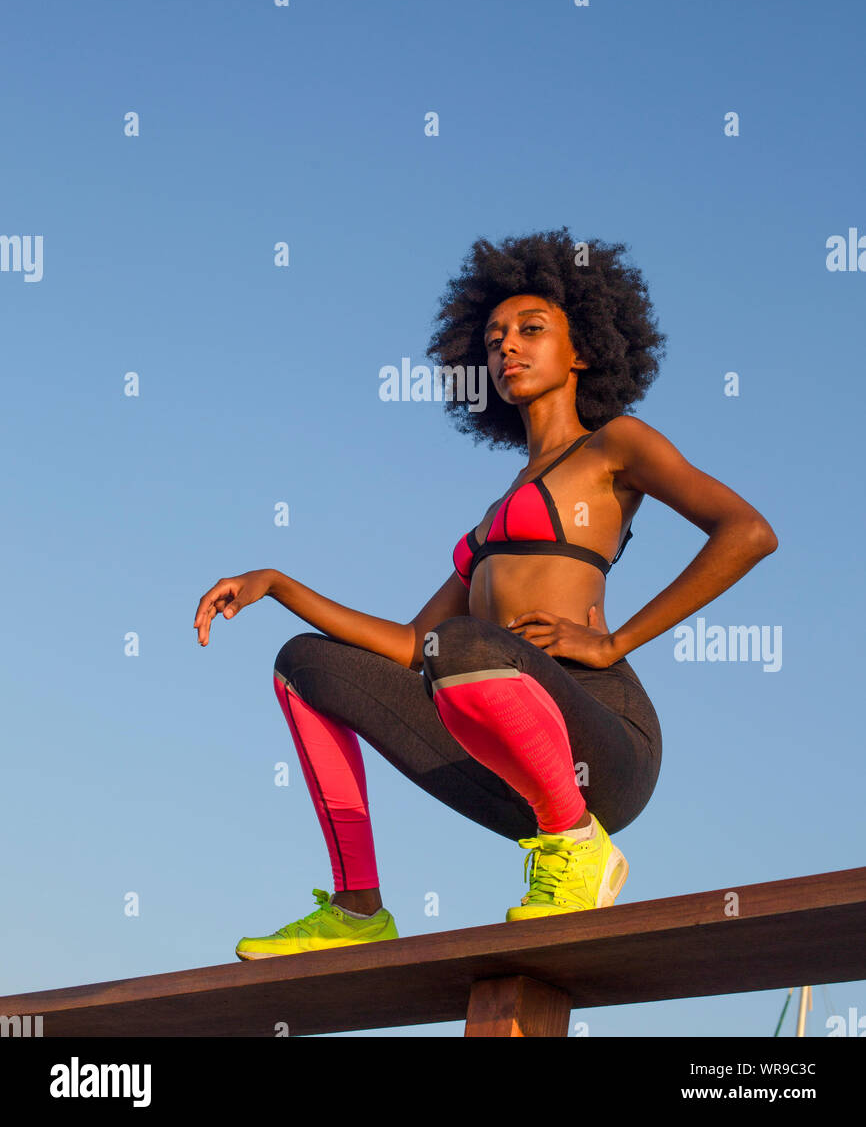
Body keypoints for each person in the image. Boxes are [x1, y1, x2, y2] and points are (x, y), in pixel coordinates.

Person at [193, 228, 778, 959]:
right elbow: (411, 646)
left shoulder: (615, 444)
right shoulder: (489, 523)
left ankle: (581, 849)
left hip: (602, 736)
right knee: (306, 663)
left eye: (532, 331)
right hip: (505, 762)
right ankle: (356, 908)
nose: (508, 347)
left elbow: (747, 532)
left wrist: (614, 640)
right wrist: (279, 584)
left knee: (462, 647)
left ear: (582, 351)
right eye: (497, 337)